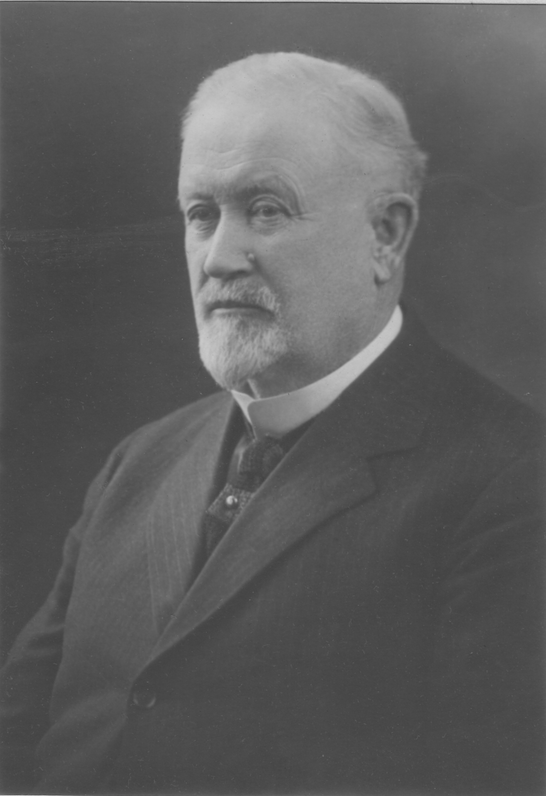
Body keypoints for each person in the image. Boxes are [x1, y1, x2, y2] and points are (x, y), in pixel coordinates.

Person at [1, 52, 543, 795]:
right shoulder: (142, 461)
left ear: (385, 234)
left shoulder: (512, 480)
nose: (219, 258)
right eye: (201, 215)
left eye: (266, 209)